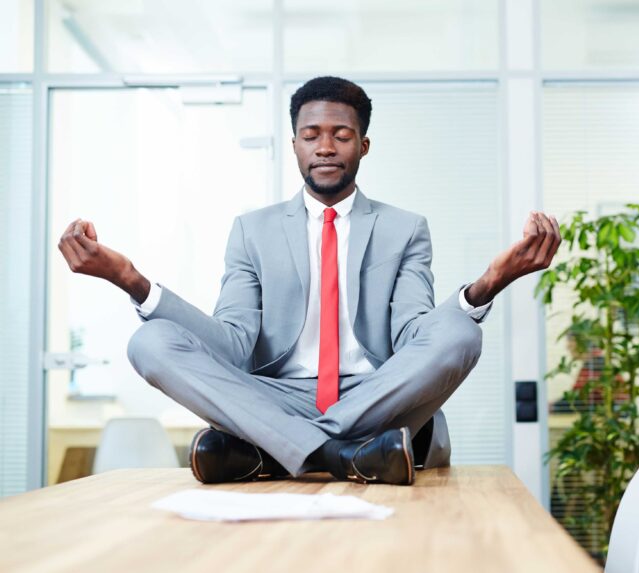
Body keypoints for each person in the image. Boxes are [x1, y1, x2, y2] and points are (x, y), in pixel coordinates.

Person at [57, 76, 561, 486]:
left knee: (462, 332)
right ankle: (344, 455)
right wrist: (129, 279)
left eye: (341, 135)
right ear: (294, 143)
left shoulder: (405, 229)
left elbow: (414, 338)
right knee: (150, 341)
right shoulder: (251, 231)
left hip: (374, 396)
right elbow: (232, 346)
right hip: (276, 394)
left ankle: (276, 451)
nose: (325, 147)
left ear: (363, 145)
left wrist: (488, 284)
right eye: (310, 134)